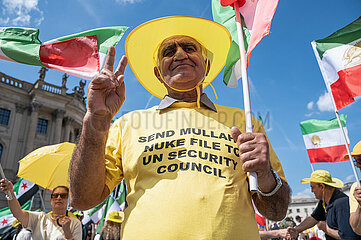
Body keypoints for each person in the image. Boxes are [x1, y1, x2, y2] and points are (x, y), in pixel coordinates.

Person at [69, 16, 290, 239]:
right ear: (158, 74)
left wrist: (265, 175)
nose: (180, 54)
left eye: (189, 48)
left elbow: (276, 211)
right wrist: (95, 119)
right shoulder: (127, 124)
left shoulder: (244, 122)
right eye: (168, 51)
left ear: (207, 66)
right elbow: (82, 199)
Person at [288, 170, 361, 240]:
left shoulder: (341, 203)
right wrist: (296, 230)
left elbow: (348, 237)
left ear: (322, 187)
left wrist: (325, 228)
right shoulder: (323, 201)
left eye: (312, 187)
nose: (311, 191)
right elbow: (313, 218)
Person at [0, 179, 82, 240]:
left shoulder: (75, 223)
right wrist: (10, 193)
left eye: (63, 195)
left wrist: (68, 233)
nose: (59, 198)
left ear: (68, 200)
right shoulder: (39, 218)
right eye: (55, 195)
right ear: (51, 200)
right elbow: (17, 213)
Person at [345, 140, 361, 235]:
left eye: (360, 160)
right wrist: (360, 206)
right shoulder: (356, 187)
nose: (358, 165)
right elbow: (357, 229)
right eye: (356, 161)